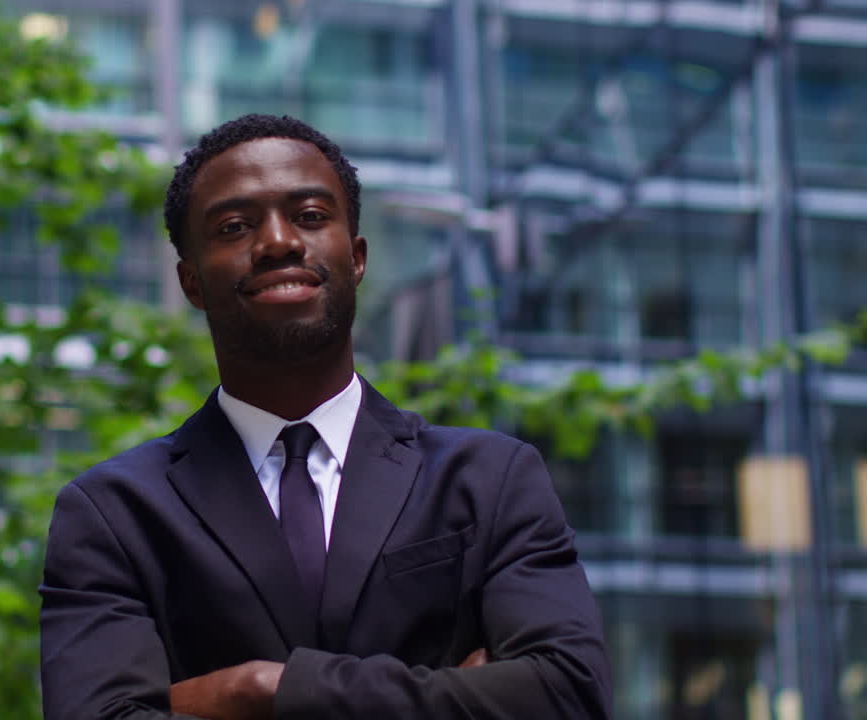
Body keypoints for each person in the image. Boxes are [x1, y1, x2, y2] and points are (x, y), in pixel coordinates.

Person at [39, 114, 611, 719]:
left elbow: (568, 695)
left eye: (310, 216)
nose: (279, 242)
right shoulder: (113, 513)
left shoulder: (491, 479)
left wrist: (259, 690)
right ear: (192, 282)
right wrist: (454, 695)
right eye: (235, 227)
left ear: (357, 257)